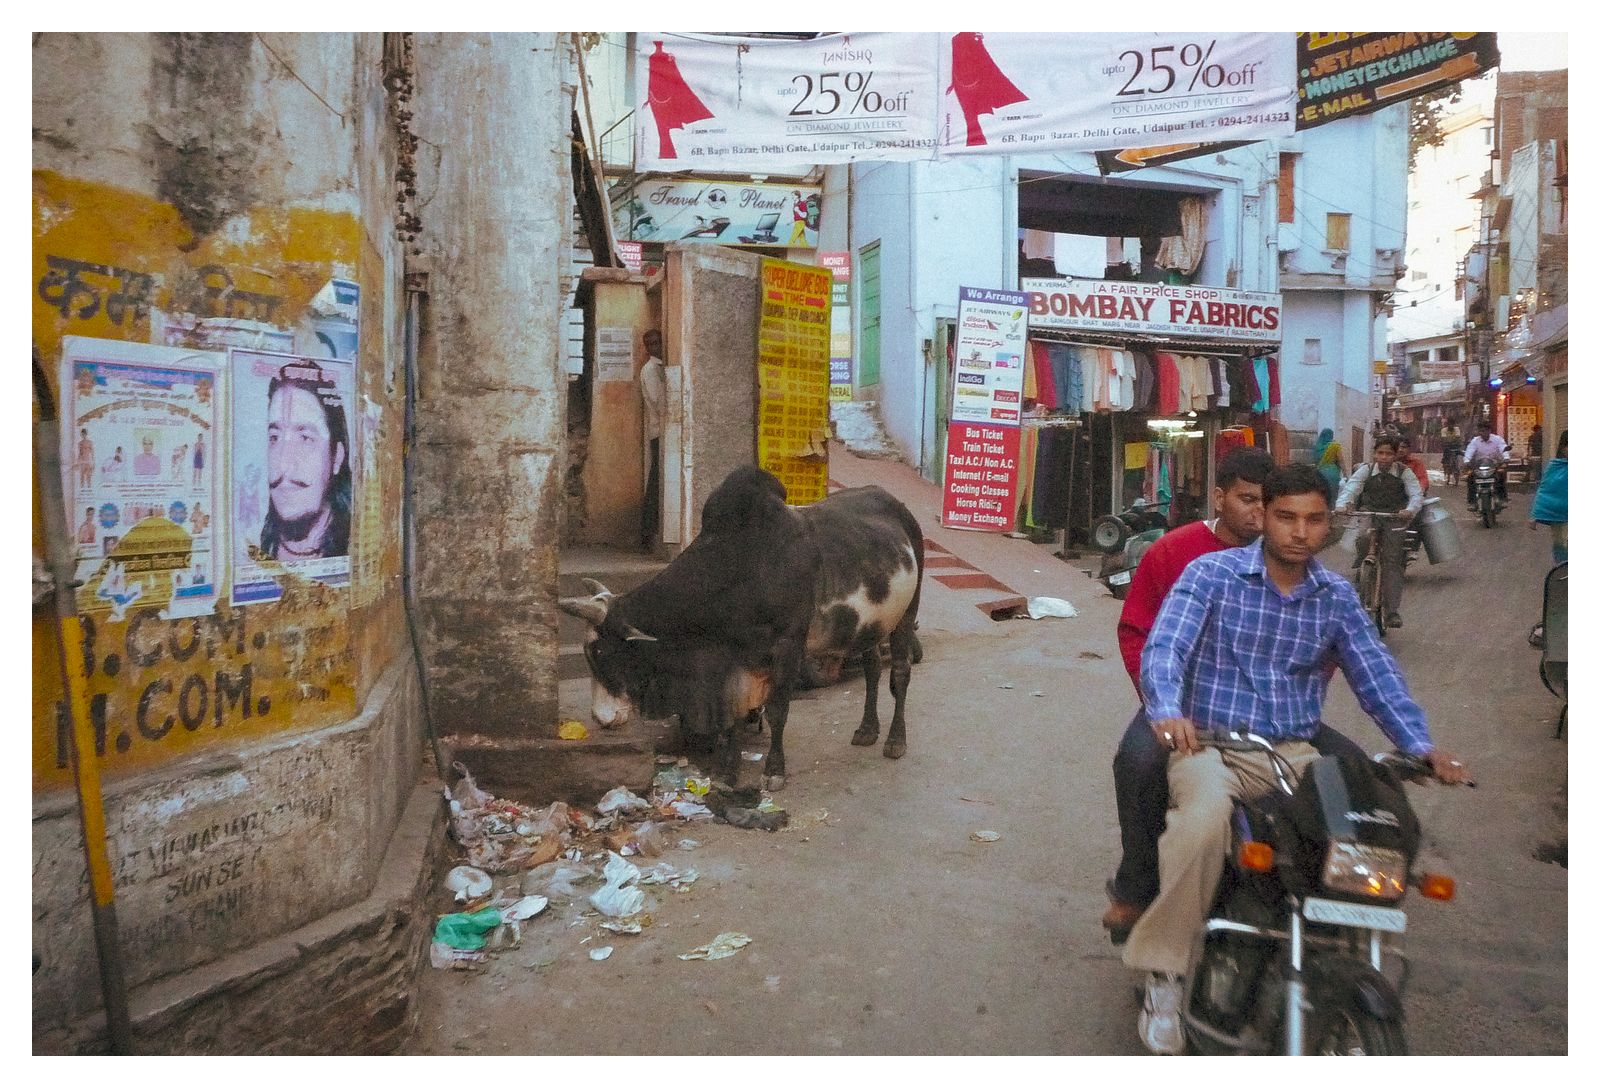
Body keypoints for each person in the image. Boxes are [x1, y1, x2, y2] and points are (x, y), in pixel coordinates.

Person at [1126, 463, 1469, 1054]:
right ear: (1264, 517)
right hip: (1210, 746)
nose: (1300, 532)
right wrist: (1166, 709)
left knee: (1365, 825)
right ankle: (1166, 973)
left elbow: (1376, 673)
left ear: (1328, 523)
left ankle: (1335, 949)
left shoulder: (1335, 596)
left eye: (1313, 520)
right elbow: (1167, 646)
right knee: (1202, 823)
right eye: (1286, 517)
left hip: (1293, 752)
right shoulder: (1211, 575)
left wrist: (1421, 745)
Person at [1104, 447, 1365, 942]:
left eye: (1267, 504)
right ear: (1220, 498)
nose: (1258, 513)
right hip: (1181, 704)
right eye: (1247, 500)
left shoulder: (1296, 567)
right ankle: (1136, 886)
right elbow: (1140, 632)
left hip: (1269, 712)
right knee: (1138, 762)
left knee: (1355, 772)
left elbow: (1331, 649)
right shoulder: (1176, 553)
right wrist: (1163, 706)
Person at [261, 365, 351, 560]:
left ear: (337, 457)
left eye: (305, 438)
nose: (283, 465)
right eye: (275, 438)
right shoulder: (248, 551)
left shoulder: (358, 549)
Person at [1336, 433, 1424, 628]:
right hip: (1370, 513)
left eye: (1389, 454)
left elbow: (1416, 494)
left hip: (1394, 517)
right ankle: (1363, 566)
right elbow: (1351, 489)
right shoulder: (1365, 470)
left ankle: (1391, 612)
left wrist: (1409, 510)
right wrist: (1342, 505)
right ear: (1374, 454)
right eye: (1380, 453)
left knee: (1393, 562)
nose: (1384, 457)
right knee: (1362, 537)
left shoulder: (1404, 472)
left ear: (1395, 456)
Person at [638, 330, 666, 551]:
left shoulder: (659, 367)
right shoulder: (650, 370)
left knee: (657, 480)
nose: (654, 347)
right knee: (656, 481)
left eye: (657, 342)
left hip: (661, 431)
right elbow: (658, 400)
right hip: (659, 431)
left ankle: (648, 531)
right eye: (650, 344)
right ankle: (647, 531)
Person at [1530, 430, 1568, 564]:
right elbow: (1545, 491)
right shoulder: (1554, 467)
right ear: (1562, 448)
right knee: (1561, 545)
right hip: (1559, 517)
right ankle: (1563, 572)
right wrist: (1535, 515)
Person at [1462, 420, 1510, 508]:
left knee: (1500, 477)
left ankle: (1502, 499)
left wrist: (1506, 458)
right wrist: (1467, 461)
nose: (1482, 433)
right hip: (1479, 466)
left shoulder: (1497, 439)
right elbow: (1469, 451)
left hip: (1495, 465)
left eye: (1484, 431)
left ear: (1489, 430)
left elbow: (1503, 448)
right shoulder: (1475, 441)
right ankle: (1472, 502)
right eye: (1480, 431)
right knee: (1471, 478)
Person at [1312, 427, 1343, 493]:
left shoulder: (1316, 447)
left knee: (1322, 493)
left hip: (1319, 473)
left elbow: (1314, 461)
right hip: (1333, 473)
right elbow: (1341, 461)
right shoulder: (1335, 446)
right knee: (1333, 493)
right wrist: (1346, 475)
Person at [1440, 417, 1464, 486]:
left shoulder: (1457, 429)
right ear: (1447, 424)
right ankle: (1447, 477)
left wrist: (1452, 442)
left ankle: (1456, 477)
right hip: (1447, 448)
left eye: (1452, 424)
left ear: (1454, 424)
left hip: (1455, 447)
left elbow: (1458, 439)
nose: (1451, 426)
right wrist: (1450, 442)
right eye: (1449, 424)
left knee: (1458, 459)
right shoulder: (1443, 430)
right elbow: (1444, 440)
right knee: (1446, 462)